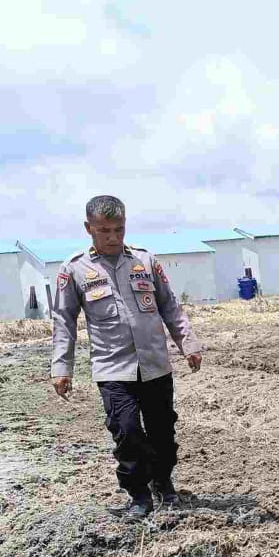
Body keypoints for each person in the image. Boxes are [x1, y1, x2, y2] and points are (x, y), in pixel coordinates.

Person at [51, 195, 203, 520]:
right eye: (104, 230)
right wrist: (61, 368)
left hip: (155, 366)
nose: (112, 237)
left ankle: (163, 483)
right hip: (113, 369)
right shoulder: (75, 269)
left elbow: (169, 306)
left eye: (118, 229)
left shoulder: (145, 262)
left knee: (163, 432)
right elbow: (64, 320)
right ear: (88, 228)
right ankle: (138, 497)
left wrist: (187, 343)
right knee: (127, 432)